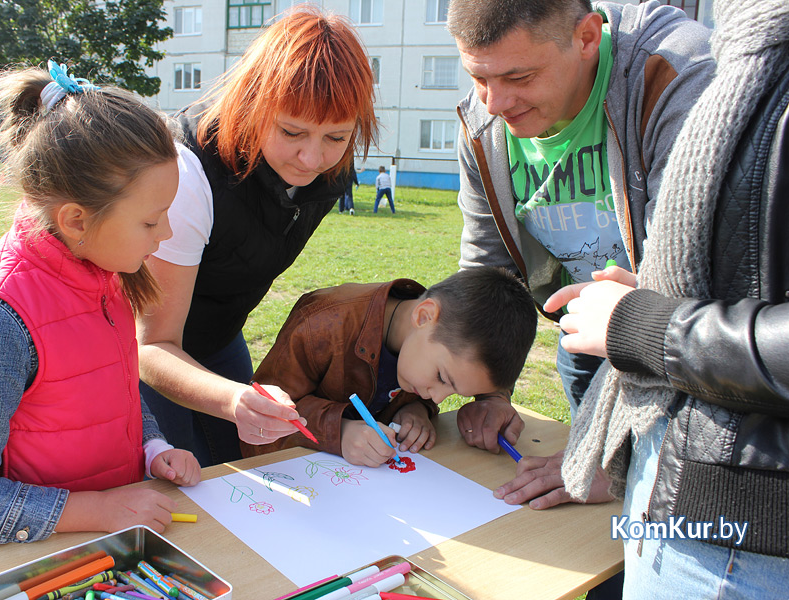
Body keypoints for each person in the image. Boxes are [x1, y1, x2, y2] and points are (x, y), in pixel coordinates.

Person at [545, 0, 789, 594]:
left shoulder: (717, 65)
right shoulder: (749, 50)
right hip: (697, 491)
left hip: (742, 538)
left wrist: (645, 325)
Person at [0, 61, 202, 544]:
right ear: (75, 219)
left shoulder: (102, 273)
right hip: (40, 559)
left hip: (108, 541)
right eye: (152, 222)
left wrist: (151, 446)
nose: (168, 235)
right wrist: (99, 510)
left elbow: (107, 390)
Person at [446, 0, 713, 482]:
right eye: (479, 78)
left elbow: (691, 281)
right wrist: (491, 391)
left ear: (587, 38)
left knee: (652, 490)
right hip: (582, 333)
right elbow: (489, 267)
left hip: (680, 346)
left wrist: (605, 465)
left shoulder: (672, 76)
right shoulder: (482, 120)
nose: (493, 104)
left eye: (518, 77)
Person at [137, 6, 378, 467]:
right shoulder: (189, 173)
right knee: (180, 480)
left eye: (337, 137)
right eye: (292, 131)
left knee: (245, 467)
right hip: (141, 355)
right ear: (254, 102)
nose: (312, 158)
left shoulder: (329, 165)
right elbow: (150, 344)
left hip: (220, 334)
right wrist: (230, 400)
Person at [243, 266, 537, 466]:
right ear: (424, 316)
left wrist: (417, 409)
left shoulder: (426, 349)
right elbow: (258, 420)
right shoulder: (322, 324)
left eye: (452, 393)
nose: (437, 397)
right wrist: (339, 432)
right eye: (442, 378)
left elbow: (415, 395)